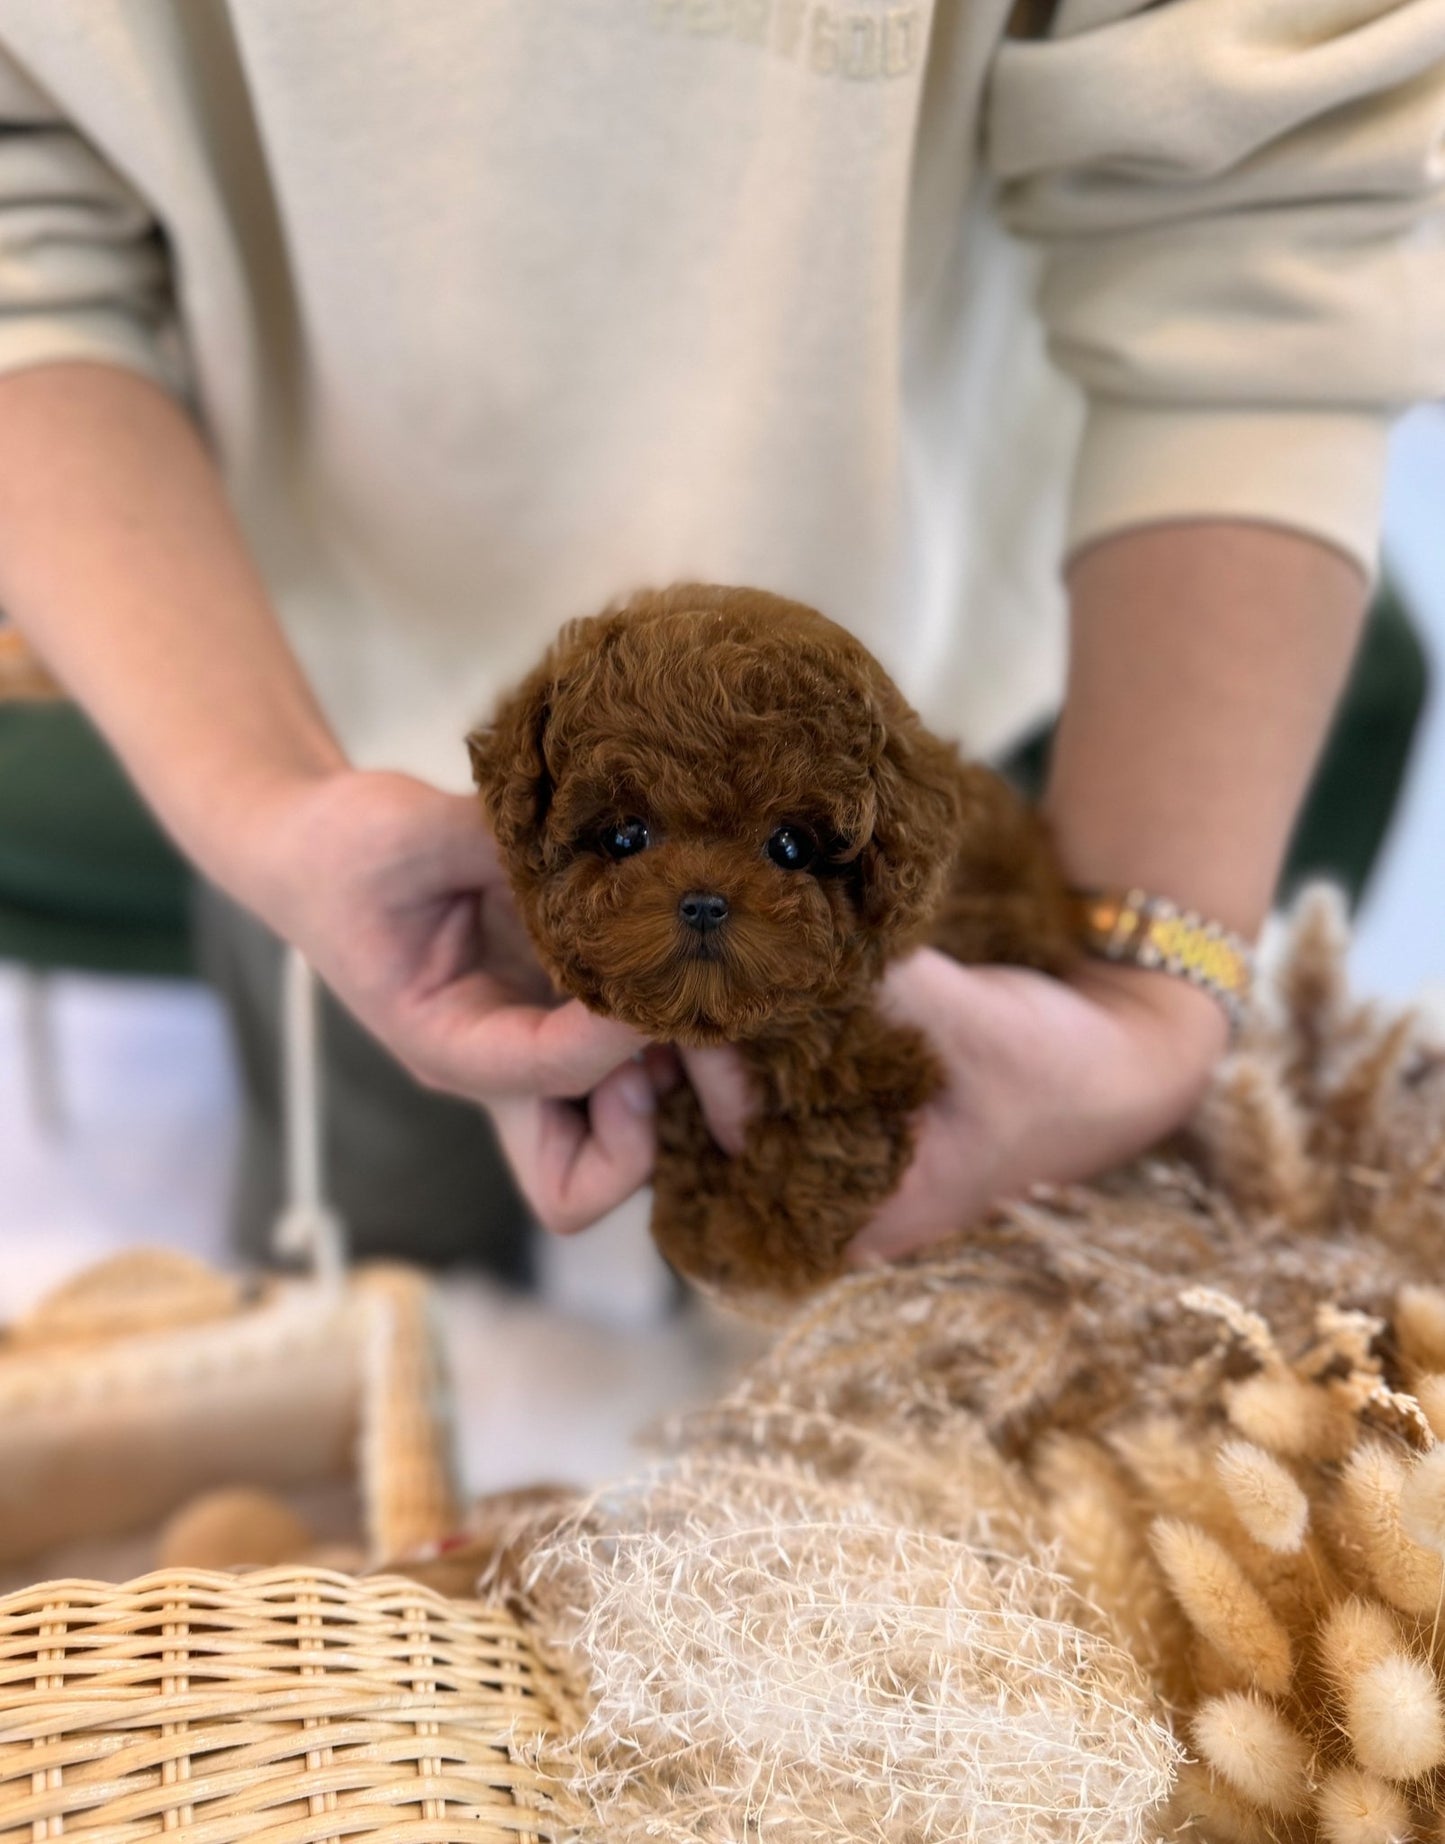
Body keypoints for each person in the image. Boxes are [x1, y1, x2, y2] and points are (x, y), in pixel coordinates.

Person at [0, 2, 1441, 1273]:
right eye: (630, 846)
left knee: (873, 1274)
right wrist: (266, 801)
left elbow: (1271, 204)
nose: (697, 897)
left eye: (791, 854)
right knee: (388, 1254)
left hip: (1000, 640)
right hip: (300, 706)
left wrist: (1147, 985)